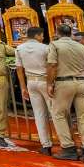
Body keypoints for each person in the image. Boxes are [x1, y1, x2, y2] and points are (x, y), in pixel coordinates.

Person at [46, 26, 84, 162]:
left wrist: (49, 84)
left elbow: (52, 65)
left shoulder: (55, 45)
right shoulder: (82, 47)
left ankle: (68, 148)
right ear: (70, 34)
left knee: (58, 114)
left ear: (57, 33)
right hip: (81, 82)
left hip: (63, 82)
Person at [14, 26, 53, 154]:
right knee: (56, 113)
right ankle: (66, 144)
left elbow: (19, 69)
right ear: (37, 36)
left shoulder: (19, 48)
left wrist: (23, 87)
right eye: (42, 35)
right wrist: (50, 83)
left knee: (39, 114)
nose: (43, 37)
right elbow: (51, 66)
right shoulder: (46, 48)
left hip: (31, 82)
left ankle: (46, 145)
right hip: (45, 81)